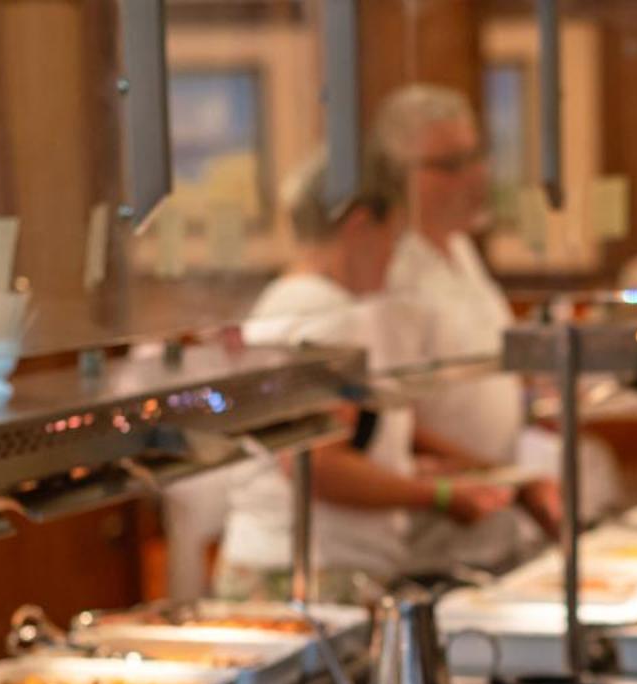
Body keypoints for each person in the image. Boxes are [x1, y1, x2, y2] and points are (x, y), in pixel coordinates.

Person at [216, 152, 513, 602]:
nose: (395, 257)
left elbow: (361, 442)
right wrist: (439, 496)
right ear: (359, 226)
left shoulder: (309, 303)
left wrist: (469, 472)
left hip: (311, 564)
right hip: (304, 570)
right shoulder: (318, 313)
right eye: (394, 236)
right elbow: (315, 466)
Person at [371, 84, 589, 568]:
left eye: (477, 158)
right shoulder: (390, 271)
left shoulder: (461, 251)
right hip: (434, 534)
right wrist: (497, 474)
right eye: (450, 165)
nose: (476, 177)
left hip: (494, 516)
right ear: (397, 176)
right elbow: (389, 419)